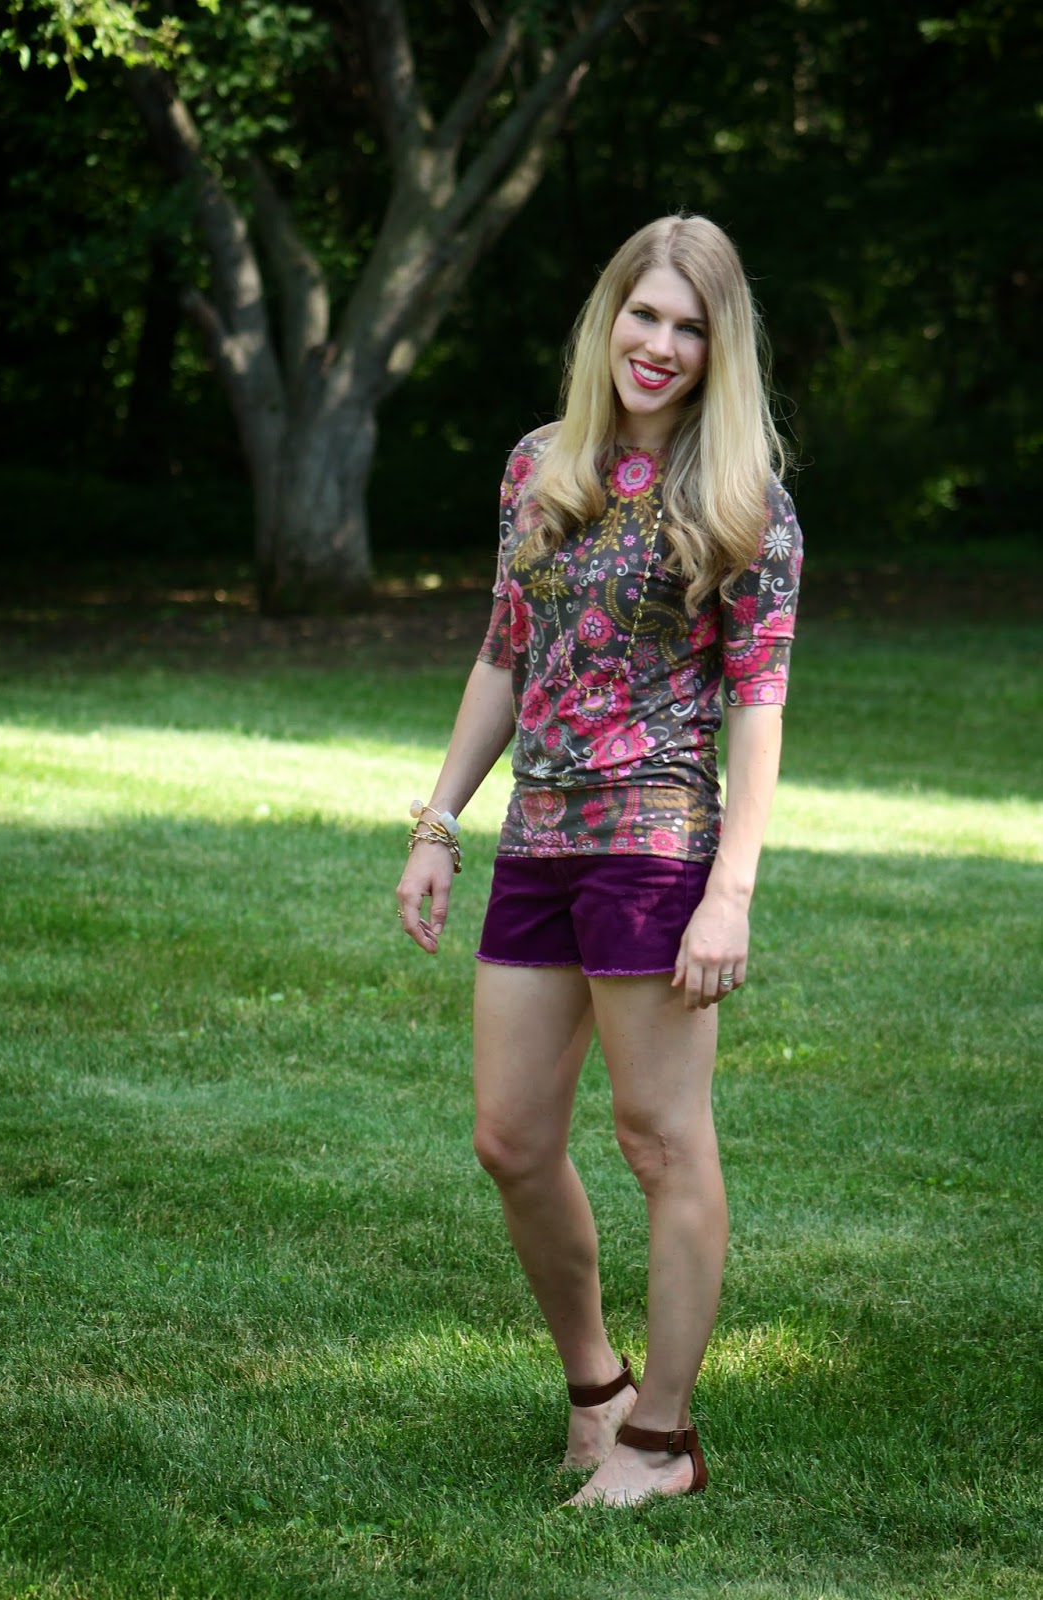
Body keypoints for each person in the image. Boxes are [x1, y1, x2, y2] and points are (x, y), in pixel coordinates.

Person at [396, 214, 802, 1508]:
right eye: (645, 315)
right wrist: (437, 821)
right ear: (607, 316)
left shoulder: (742, 498)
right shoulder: (538, 468)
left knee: (658, 1139)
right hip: (540, 841)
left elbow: (756, 701)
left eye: (690, 327)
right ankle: (595, 1391)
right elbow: (502, 651)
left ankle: (660, 1443)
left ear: (718, 347)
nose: (661, 346)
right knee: (510, 1139)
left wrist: (728, 891)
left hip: (655, 843)